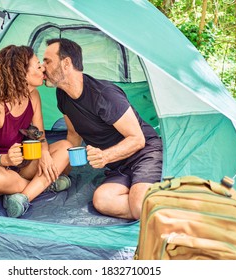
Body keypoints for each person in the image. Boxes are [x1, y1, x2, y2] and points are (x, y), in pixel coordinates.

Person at [43, 38, 163, 220]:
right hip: (119, 165)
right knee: (102, 200)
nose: (42, 67)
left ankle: (159, 205)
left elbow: (138, 139)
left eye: (47, 61)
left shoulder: (104, 95)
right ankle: (150, 204)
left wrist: (105, 156)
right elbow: (74, 135)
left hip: (145, 153)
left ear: (66, 63)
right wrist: (61, 174)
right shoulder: (63, 95)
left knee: (139, 206)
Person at [0, 45, 72, 218]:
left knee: (66, 148)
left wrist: (45, 153)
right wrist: (5, 159)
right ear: (21, 73)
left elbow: (39, 136)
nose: (43, 68)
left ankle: (23, 196)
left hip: (21, 163)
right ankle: (43, 185)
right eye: (38, 65)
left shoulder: (33, 96)